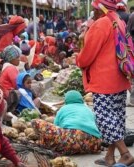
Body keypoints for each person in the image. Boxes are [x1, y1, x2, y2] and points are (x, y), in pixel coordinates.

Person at [76, 0, 134, 166]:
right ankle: (110, 156)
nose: (93, 13)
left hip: (105, 80)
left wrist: (79, 59)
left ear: (100, 8)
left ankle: (125, 154)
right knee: (116, 117)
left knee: (104, 118)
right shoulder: (118, 20)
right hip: (120, 78)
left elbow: (87, 54)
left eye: (94, 9)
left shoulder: (102, 23)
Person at [32, 90, 102, 155]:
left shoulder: (63, 108)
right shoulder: (88, 109)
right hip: (94, 143)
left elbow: (56, 126)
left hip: (70, 140)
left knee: (35, 121)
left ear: (66, 100)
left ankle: (45, 144)